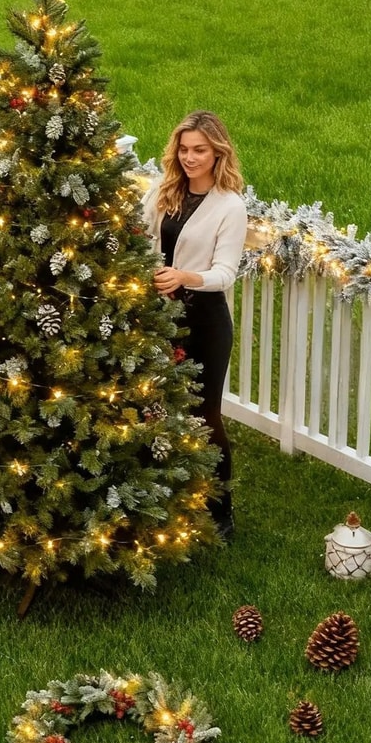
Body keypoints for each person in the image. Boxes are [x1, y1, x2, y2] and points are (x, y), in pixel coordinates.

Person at [142, 111, 247, 539]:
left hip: (204, 321)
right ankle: (159, 491)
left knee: (205, 415)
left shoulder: (229, 206)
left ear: (217, 152)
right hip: (157, 316)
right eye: (184, 149)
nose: (190, 158)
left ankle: (221, 509)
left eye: (199, 150)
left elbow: (226, 273)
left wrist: (185, 276)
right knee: (152, 405)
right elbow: (140, 236)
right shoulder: (163, 190)